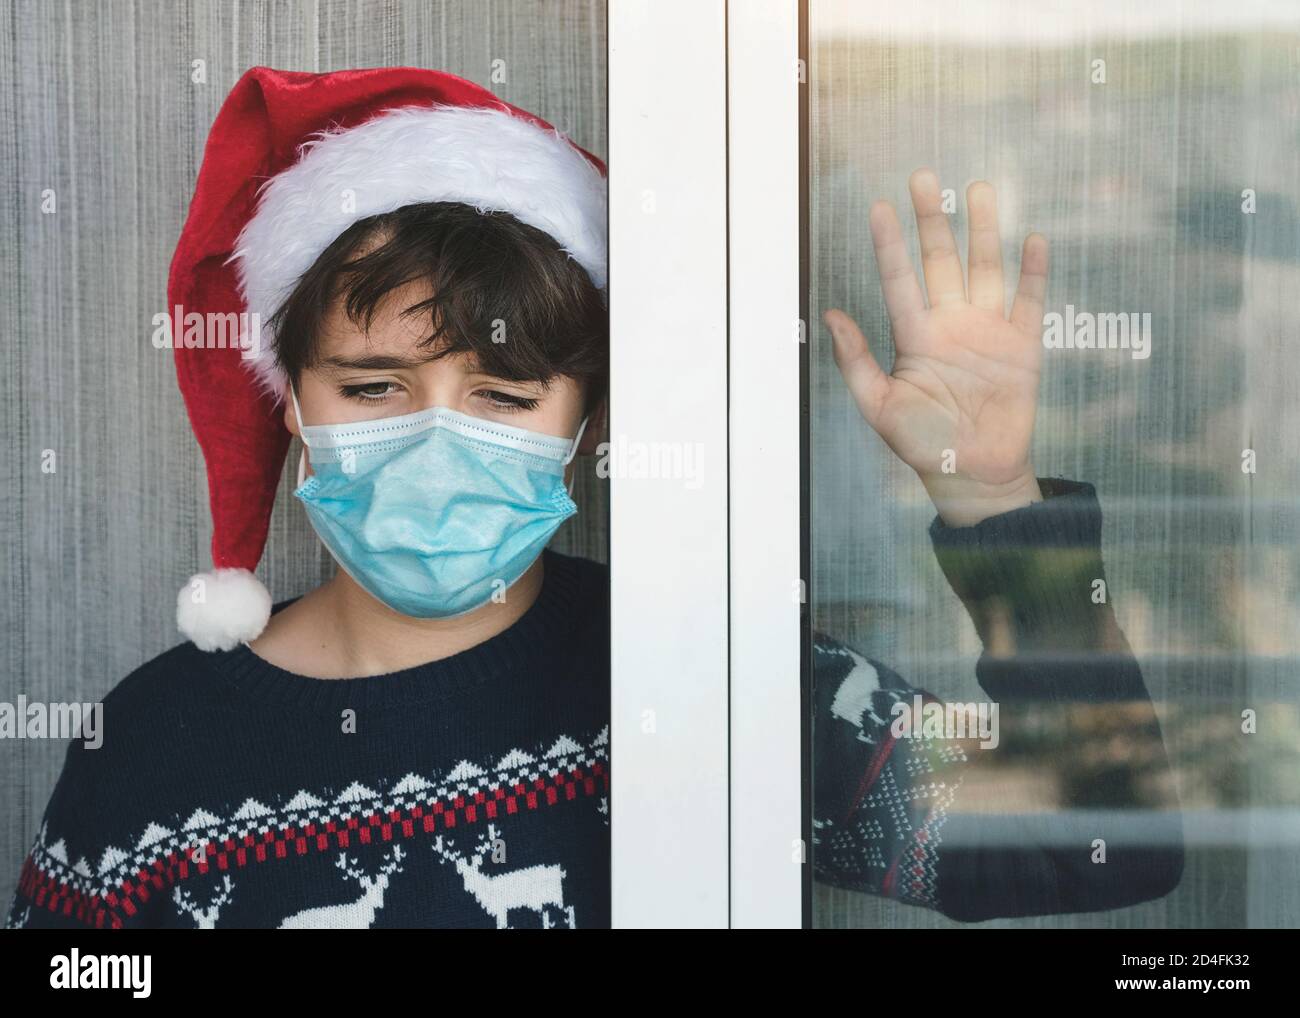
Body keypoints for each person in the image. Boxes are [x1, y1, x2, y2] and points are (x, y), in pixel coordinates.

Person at [5, 68, 1181, 930]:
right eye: (373, 384)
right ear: (293, 403)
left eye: (503, 393)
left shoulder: (708, 689)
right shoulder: (153, 746)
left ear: (585, 421)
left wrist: (995, 505)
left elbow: (1095, 845)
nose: (434, 438)